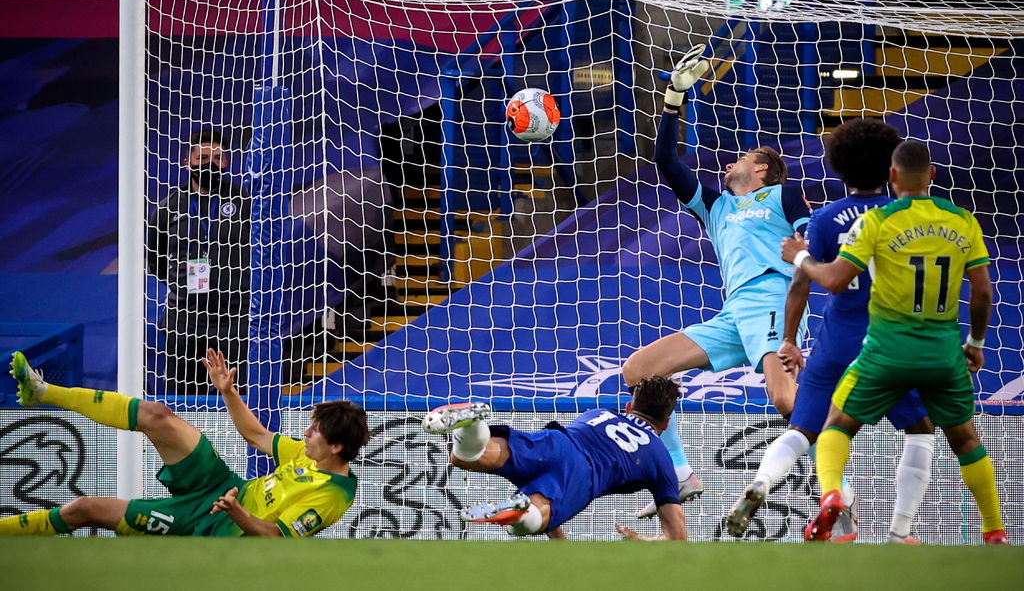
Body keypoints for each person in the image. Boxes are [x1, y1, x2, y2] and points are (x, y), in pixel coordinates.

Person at [780, 140, 1009, 545]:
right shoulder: (963, 221)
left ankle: (833, 494)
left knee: (835, 425)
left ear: (892, 176)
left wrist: (799, 257)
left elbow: (833, 280)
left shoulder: (879, 221)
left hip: (885, 351)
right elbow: (984, 294)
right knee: (965, 440)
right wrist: (974, 342)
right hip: (942, 352)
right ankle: (993, 531)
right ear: (933, 175)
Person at [621, 45, 811, 517]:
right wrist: (673, 98)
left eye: (741, 158)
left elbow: (811, 247)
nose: (729, 164)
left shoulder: (782, 196)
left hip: (773, 299)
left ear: (762, 167)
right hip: (733, 313)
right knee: (639, 372)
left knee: (787, 400)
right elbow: (666, 159)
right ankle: (682, 474)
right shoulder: (715, 205)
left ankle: (837, 490)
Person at [726, 119, 936, 544]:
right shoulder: (909, 219)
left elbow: (800, 283)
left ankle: (763, 482)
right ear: (891, 169)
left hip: (835, 342)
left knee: (802, 429)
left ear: (839, 168)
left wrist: (788, 340)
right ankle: (900, 532)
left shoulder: (824, 218)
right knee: (921, 430)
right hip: (890, 342)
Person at [0, 350, 369, 537]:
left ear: (336, 447)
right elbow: (256, 435)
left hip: (218, 524)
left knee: (85, 508)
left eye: (314, 431)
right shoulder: (308, 453)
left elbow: (277, 536)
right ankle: (43, 390)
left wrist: (235, 513)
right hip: (224, 488)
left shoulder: (332, 495)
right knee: (156, 415)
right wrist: (227, 392)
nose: (305, 434)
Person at [420, 376, 688, 540]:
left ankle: (470, 425)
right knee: (526, 522)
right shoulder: (660, 457)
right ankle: (521, 514)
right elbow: (677, 538)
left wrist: (559, 540)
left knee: (466, 457)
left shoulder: (599, 412)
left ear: (629, 407)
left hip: (557, 441)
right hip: (585, 472)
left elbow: (560, 466)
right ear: (665, 424)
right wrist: (643, 540)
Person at [146, 128, 251, 393]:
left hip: (234, 319)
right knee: (182, 400)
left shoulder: (246, 203)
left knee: (236, 398)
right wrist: (181, 283)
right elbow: (156, 261)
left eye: (217, 158)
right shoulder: (168, 208)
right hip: (184, 320)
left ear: (227, 163)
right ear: (187, 162)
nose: (210, 164)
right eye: (202, 158)